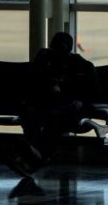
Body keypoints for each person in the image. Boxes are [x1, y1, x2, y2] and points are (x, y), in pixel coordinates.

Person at [12, 31, 95, 177]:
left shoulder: (79, 65)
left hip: (64, 107)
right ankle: (36, 154)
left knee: (53, 118)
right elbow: (33, 79)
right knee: (33, 114)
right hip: (49, 105)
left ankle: (35, 154)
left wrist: (79, 101)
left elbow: (92, 89)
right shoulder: (46, 60)